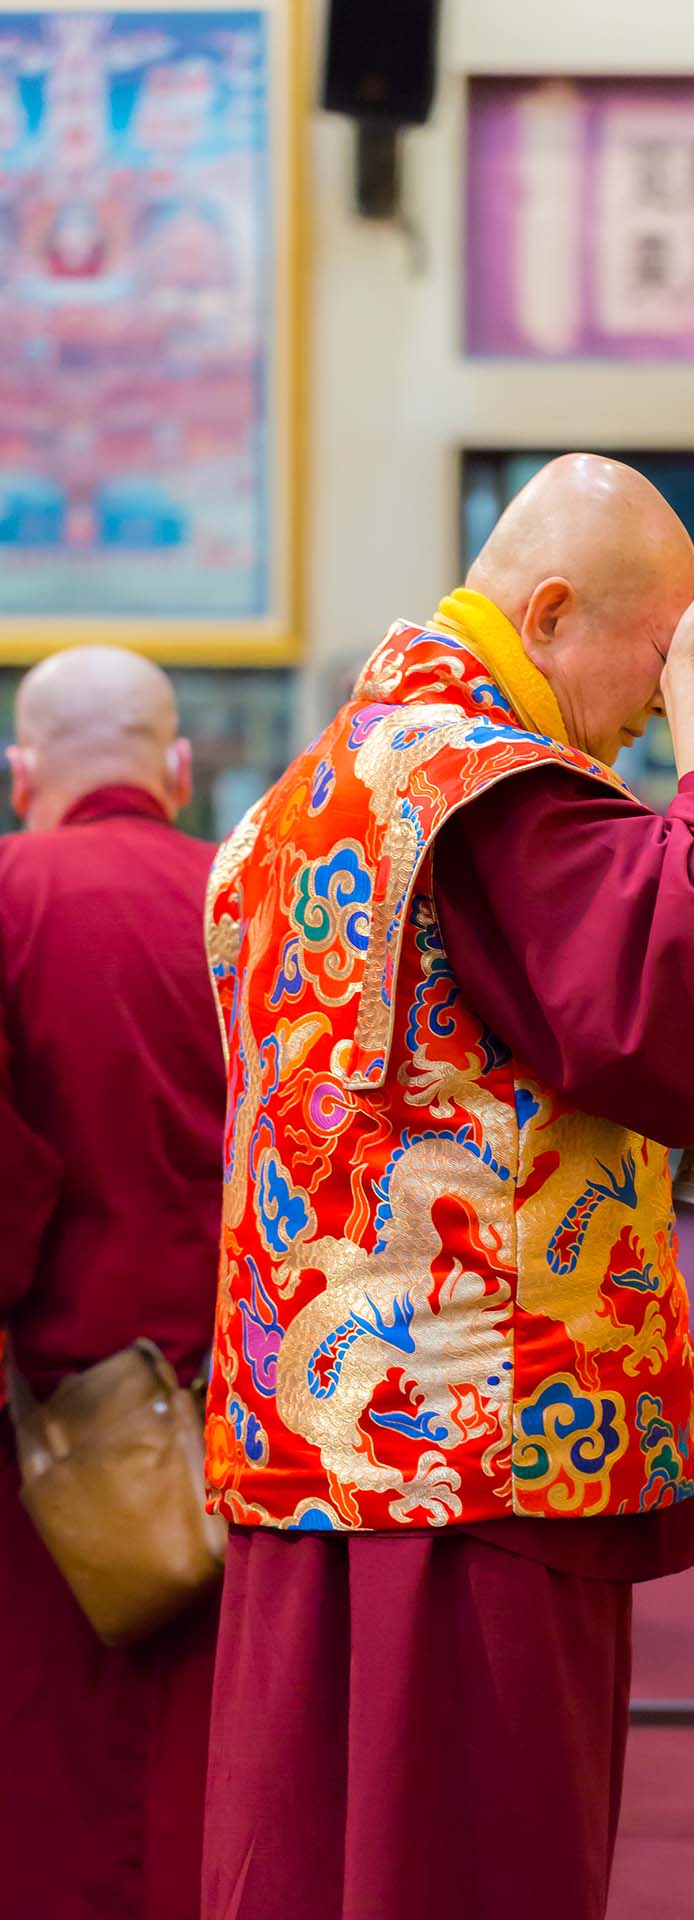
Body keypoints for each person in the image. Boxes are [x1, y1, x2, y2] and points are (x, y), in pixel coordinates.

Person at [200, 453, 694, 1920]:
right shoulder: (488, 786)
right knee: (463, 1865)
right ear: (553, 614)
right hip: (471, 1453)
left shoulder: (304, 794)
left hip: (314, 1443)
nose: (650, 699)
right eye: (655, 653)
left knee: (314, 1852)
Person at [0, 647, 226, 1920]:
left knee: (58, 1770)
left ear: (18, 773)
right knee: (214, 1755)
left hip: (57, 1418)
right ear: (179, 768)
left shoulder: (10, 892)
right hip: (252, 1407)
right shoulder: (254, 899)